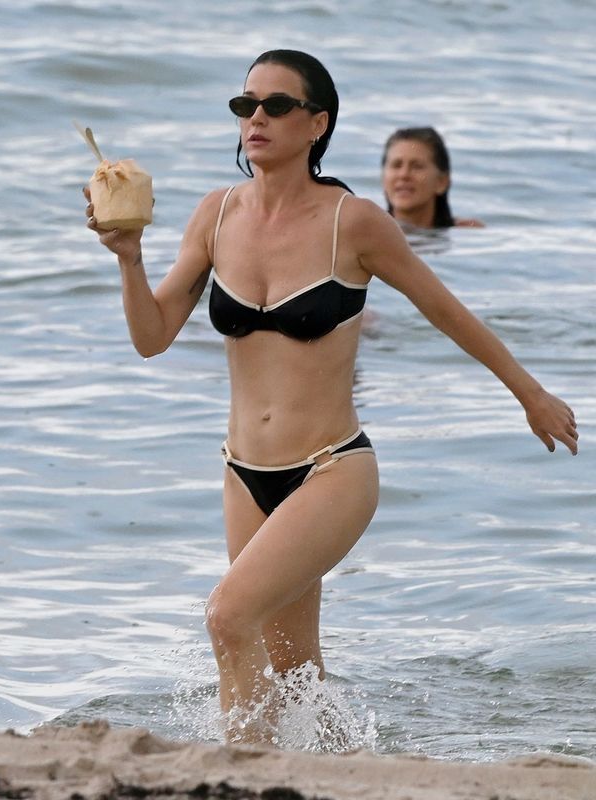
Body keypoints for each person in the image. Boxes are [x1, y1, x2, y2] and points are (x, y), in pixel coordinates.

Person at [84, 49, 577, 744]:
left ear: (317, 123)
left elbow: (447, 312)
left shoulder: (355, 222)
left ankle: (241, 774)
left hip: (332, 470)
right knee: (294, 669)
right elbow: (151, 335)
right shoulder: (216, 215)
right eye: (246, 105)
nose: (256, 118)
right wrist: (130, 258)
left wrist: (531, 394)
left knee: (229, 616)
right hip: (243, 473)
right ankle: (344, 763)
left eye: (276, 105)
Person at [382, 126, 485, 229]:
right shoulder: (372, 234)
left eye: (417, 166)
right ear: (383, 178)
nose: (404, 175)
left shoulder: (467, 231)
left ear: (442, 182)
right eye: (396, 165)